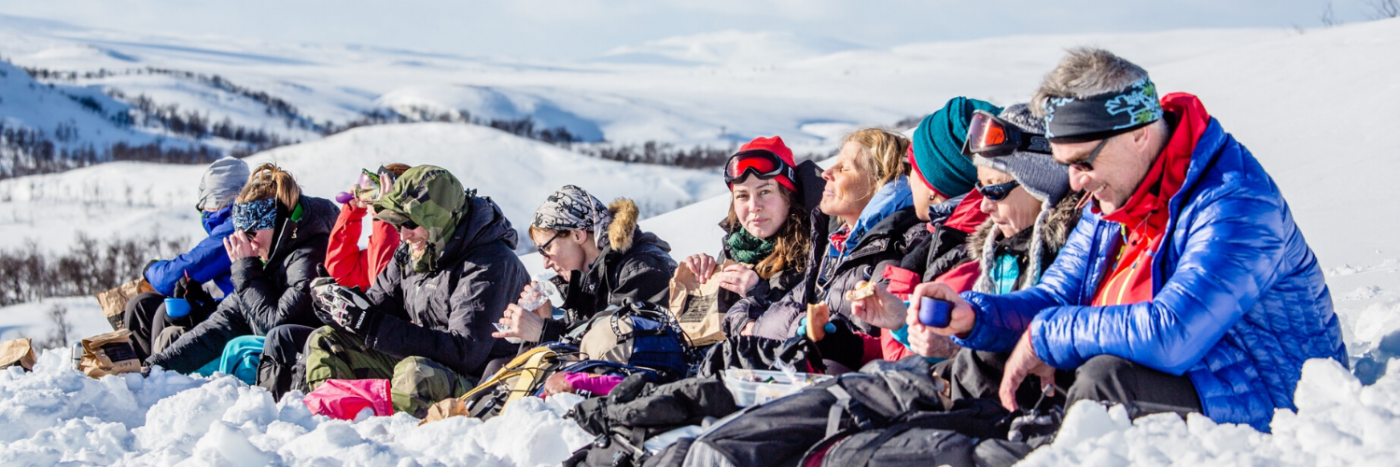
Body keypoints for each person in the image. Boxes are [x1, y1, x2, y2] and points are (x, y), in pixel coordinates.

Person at [907, 48, 1345, 433]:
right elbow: (1056, 296)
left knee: (1105, 376)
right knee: (997, 350)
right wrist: (975, 315)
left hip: (1265, 400)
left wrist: (1045, 334)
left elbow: (1172, 333)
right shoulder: (1118, 199)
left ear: (1137, 136)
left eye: (1082, 163)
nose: (1075, 184)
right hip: (1174, 380)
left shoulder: (1235, 201)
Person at [854, 104, 1084, 364]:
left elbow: (1044, 354)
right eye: (981, 187)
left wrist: (954, 350)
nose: (985, 204)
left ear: (1040, 186)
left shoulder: (1071, 256)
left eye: (995, 189)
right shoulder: (999, 252)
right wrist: (902, 319)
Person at [301, 165, 529, 417]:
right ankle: (328, 424)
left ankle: (392, 442)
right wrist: (339, 306)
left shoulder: (489, 263)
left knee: (415, 372)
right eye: (397, 223)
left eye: (410, 222)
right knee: (327, 340)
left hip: (480, 387)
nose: (404, 234)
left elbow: (465, 352)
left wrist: (371, 324)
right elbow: (376, 307)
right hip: (428, 367)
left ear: (438, 217)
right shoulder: (412, 255)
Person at [748, 128, 927, 372]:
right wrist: (751, 323)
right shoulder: (839, 244)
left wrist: (772, 329)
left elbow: (866, 335)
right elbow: (778, 314)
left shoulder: (895, 246)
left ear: (881, 182)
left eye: (844, 168)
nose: (828, 173)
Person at [145, 163, 336, 374]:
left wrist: (246, 270)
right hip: (281, 369)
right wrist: (158, 364)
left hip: (312, 371)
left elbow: (278, 328)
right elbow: (222, 325)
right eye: (244, 236)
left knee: (237, 353)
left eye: (252, 235)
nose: (250, 245)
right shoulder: (270, 258)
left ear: (278, 222)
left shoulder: (311, 254)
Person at [878, 97, 998, 361]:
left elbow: (916, 362)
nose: (906, 178)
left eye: (909, 167)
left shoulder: (967, 255)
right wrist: (843, 344)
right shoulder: (939, 239)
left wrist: (900, 320)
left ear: (935, 183)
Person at [671, 136, 821, 338]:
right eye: (742, 195)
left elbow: (811, 326)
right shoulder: (735, 247)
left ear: (788, 197)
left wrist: (758, 292)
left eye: (765, 192)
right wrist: (704, 276)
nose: (754, 206)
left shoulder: (816, 248)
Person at [492, 185, 676, 348]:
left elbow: (623, 342)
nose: (546, 262)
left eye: (547, 248)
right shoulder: (590, 282)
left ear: (578, 235)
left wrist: (544, 330)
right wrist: (543, 319)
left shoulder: (641, 269)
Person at [125, 158, 249, 361]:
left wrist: (151, 268)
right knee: (142, 305)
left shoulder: (235, 228)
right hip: (236, 309)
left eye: (203, 207)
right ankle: (140, 373)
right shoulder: (240, 223)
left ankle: (156, 374)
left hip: (239, 319)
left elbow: (172, 278)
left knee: (164, 313)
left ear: (213, 202)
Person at [325, 163, 411, 291]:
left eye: (378, 192)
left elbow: (384, 287)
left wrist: (383, 216)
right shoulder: (378, 244)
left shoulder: (414, 250)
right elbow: (340, 278)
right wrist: (352, 214)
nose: (370, 198)